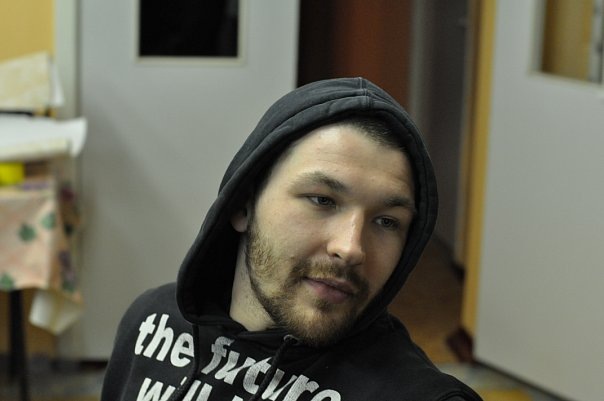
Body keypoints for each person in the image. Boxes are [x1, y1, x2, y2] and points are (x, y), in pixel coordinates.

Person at [101, 77, 482, 401]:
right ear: (243, 204)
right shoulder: (151, 322)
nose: (351, 248)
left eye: (386, 221)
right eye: (322, 200)